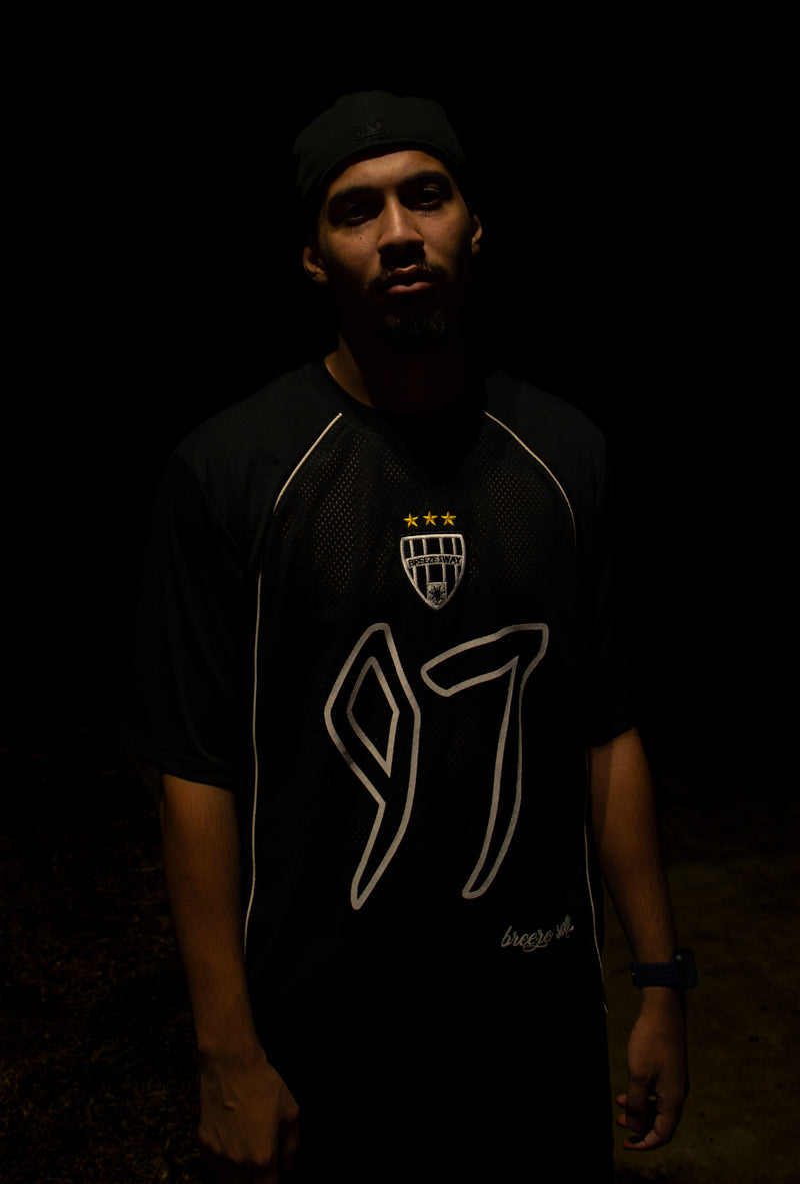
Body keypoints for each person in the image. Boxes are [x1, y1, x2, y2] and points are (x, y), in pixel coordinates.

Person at [122, 91, 690, 1181]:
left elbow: (607, 735)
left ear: (474, 227)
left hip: (541, 1030)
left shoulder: (567, 455)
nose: (396, 232)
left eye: (425, 196)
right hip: (320, 1050)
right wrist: (225, 1049)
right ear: (311, 256)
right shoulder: (230, 470)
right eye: (356, 209)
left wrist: (661, 984)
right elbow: (194, 775)